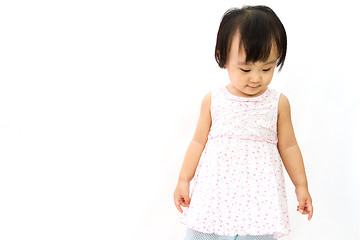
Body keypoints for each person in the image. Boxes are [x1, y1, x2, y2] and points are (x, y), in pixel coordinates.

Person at [173, 5, 314, 240]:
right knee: (202, 233)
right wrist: (183, 180)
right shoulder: (213, 100)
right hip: (214, 195)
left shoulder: (277, 103)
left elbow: (289, 147)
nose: (256, 78)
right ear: (223, 58)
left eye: (267, 68)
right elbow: (198, 142)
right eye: (246, 68)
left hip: (259, 201)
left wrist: (301, 186)